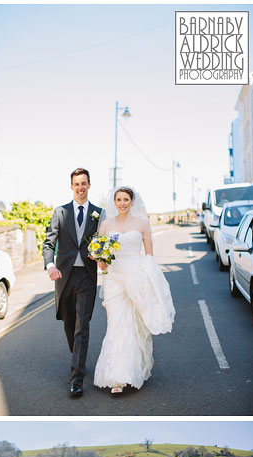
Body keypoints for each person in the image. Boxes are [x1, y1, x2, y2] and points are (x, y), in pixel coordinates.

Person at [92, 186, 175, 394]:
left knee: (134, 325)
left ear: (132, 201)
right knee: (116, 323)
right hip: (113, 279)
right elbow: (99, 254)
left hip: (135, 277)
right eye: (118, 199)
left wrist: (149, 282)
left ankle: (131, 371)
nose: (122, 203)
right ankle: (116, 378)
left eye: (126, 199)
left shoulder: (142, 225)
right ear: (114, 202)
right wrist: (101, 263)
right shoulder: (106, 225)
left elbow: (149, 257)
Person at [42, 168, 102, 397]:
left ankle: (77, 378)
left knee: (81, 327)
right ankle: (78, 356)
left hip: (87, 276)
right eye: (77, 184)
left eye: (84, 183)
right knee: (68, 323)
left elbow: (103, 242)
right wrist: (50, 266)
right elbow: (49, 244)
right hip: (64, 277)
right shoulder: (60, 212)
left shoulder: (99, 213)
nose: (80, 187)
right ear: (71, 186)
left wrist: (103, 259)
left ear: (89, 185)